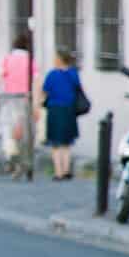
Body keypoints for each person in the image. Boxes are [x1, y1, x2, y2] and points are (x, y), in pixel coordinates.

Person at [42, 49, 86, 180]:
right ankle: (66, 170)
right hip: (69, 110)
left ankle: (58, 172)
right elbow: (78, 89)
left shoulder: (52, 74)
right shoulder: (73, 73)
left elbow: (45, 91)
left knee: (56, 143)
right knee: (67, 142)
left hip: (55, 109)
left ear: (60, 59)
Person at [0, 32, 32, 177]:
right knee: (24, 131)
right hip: (25, 99)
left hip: (8, 98)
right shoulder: (30, 61)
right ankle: (21, 160)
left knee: (7, 129)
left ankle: (11, 155)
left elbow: (0, 79)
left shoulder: (8, 59)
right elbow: (35, 81)